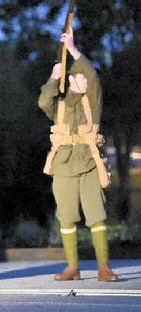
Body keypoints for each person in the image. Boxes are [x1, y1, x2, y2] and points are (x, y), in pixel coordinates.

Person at [38, 31, 119, 282]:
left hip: (89, 163)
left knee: (96, 214)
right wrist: (53, 80)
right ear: (71, 81)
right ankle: (72, 267)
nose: (86, 81)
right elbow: (43, 102)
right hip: (63, 165)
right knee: (66, 215)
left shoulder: (91, 102)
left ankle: (103, 267)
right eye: (80, 78)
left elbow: (93, 76)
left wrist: (72, 49)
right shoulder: (60, 104)